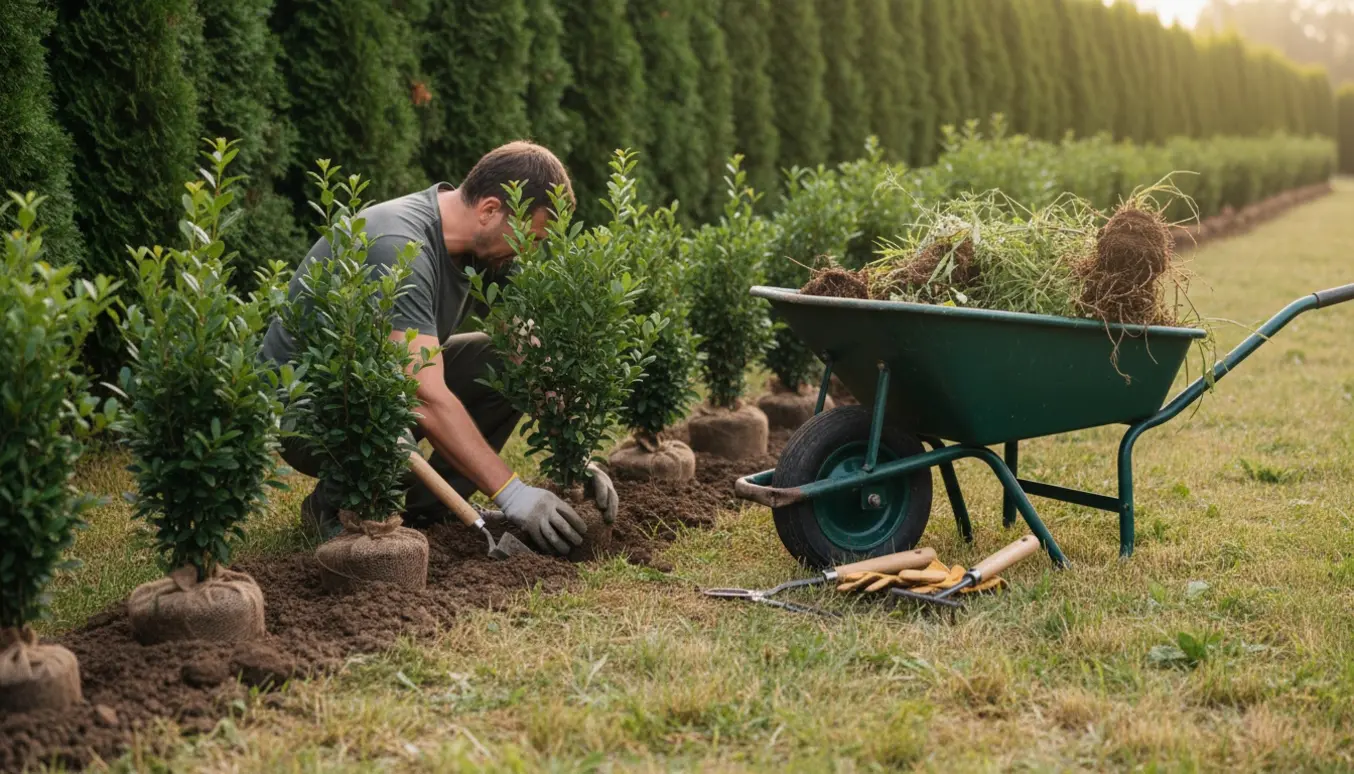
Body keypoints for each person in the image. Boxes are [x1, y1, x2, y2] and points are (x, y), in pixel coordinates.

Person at [261, 141, 615, 555]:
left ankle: (426, 510)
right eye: (529, 239)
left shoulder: (489, 250)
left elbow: (527, 351)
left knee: (500, 361)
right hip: (311, 409)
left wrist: (575, 451)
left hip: (380, 390)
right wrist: (512, 492)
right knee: (399, 409)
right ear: (488, 210)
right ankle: (337, 507)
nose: (528, 252)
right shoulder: (398, 247)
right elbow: (424, 397)